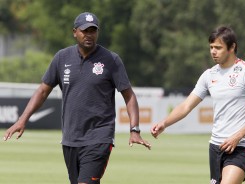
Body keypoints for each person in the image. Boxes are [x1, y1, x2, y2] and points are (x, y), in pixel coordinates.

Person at [3, 12, 151, 184]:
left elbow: (129, 95)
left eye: (93, 31)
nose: (89, 35)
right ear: (75, 32)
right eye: (84, 31)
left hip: (99, 137)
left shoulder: (111, 60)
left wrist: (135, 129)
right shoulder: (61, 58)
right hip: (70, 139)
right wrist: (22, 120)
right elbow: (42, 91)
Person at [151, 26, 245, 184]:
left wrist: (237, 136)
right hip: (216, 146)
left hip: (240, 146)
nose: (213, 51)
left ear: (232, 47)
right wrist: (164, 123)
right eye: (211, 47)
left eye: (218, 48)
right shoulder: (209, 75)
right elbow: (187, 105)